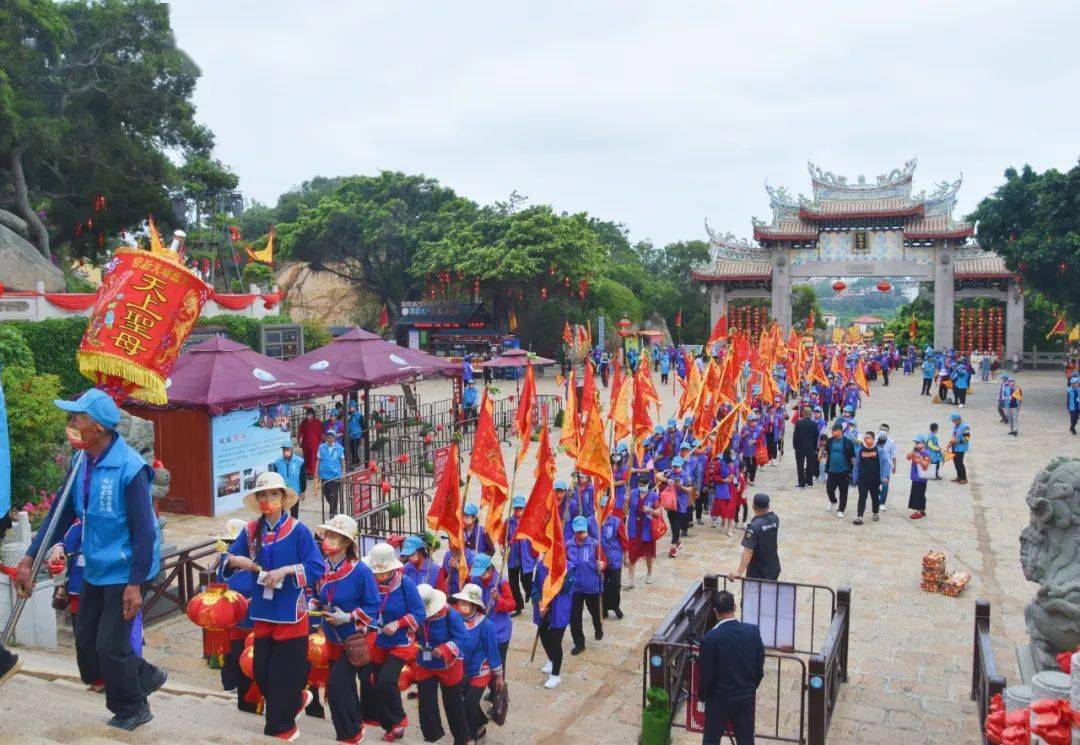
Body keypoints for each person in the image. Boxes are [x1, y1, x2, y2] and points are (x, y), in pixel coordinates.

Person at [17, 389, 166, 732]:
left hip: (128, 569)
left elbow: (145, 532)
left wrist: (134, 584)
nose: (70, 425)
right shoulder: (80, 462)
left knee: (110, 645)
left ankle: (132, 708)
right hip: (96, 566)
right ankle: (146, 674)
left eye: (76, 419)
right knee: (86, 645)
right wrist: (29, 558)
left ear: (97, 428)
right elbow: (60, 514)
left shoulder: (130, 469)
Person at [222, 471, 325, 741]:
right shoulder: (250, 530)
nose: (269, 499)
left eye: (274, 494)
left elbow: (317, 566)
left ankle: (281, 728)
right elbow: (228, 556)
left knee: (281, 674)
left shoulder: (298, 531)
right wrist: (236, 561)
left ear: (283, 498)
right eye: (264, 494)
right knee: (260, 670)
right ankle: (296, 698)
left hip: (290, 610)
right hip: (263, 610)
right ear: (258, 499)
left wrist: (287, 570)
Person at [314, 514, 380, 745]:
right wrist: (313, 605)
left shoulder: (361, 571)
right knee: (345, 687)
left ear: (347, 543)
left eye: (336, 536)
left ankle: (349, 734)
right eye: (328, 535)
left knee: (336, 685)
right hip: (330, 637)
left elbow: (373, 604)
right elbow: (316, 595)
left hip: (353, 639)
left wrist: (349, 616)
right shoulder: (321, 566)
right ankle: (351, 727)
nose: (329, 540)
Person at [365, 542, 426, 741]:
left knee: (386, 680)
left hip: (401, 641)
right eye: (376, 573)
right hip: (380, 640)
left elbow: (419, 612)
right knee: (374, 682)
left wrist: (398, 624)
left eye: (383, 573)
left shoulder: (405, 583)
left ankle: (399, 719)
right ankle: (389, 724)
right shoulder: (371, 583)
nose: (380, 577)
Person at [698, 590, 765, 745]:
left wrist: (702, 695)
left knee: (711, 740)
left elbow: (706, 675)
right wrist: (750, 687)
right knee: (746, 740)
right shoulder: (752, 632)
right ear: (735, 606)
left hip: (718, 699)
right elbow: (759, 666)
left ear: (715, 612)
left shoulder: (710, 639)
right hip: (744, 696)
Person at [413, 583, 469, 745]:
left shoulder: (451, 615)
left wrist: (445, 649)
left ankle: (461, 738)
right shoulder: (417, 611)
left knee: (452, 704)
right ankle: (432, 734)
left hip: (448, 665)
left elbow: (462, 638)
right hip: (425, 661)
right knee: (425, 701)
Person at [451, 583, 505, 743]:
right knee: (464, 703)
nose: (461, 605)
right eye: (461, 602)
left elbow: (493, 652)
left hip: (480, 671)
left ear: (474, 605)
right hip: (461, 671)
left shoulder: (486, 625)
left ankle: (471, 736)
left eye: (466, 603)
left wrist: (499, 676)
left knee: (469, 703)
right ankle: (480, 724)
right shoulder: (455, 620)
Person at [532, 555, 572, 690]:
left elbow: (566, 588)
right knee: (543, 635)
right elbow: (535, 586)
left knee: (555, 642)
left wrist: (560, 572)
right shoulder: (540, 566)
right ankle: (551, 658)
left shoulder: (569, 567)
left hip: (559, 610)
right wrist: (538, 602)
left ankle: (556, 674)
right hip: (544, 609)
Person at [568, 515, 604, 655]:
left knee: (595, 612)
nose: (580, 534)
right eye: (577, 532)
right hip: (574, 588)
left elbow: (605, 561)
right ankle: (579, 643)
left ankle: (598, 627)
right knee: (574, 618)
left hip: (592, 587)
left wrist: (603, 564)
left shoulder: (595, 545)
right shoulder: (568, 546)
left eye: (582, 531)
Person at [729, 494, 780, 581]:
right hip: (773, 567)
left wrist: (739, 572)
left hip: (758, 571)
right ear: (768, 507)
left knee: (756, 594)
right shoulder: (775, 519)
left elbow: (748, 550)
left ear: (753, 506)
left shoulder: (754, 526)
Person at [505, 495, 537, 615]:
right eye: (516, 508)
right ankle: (518, 606)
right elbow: (503, 537)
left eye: (520, 508)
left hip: (527, 558)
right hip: (513, 557)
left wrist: (534, 555)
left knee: (526, 582)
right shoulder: (508, 522)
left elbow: (536, 540)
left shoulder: (530, 522)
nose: (518, 511)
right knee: (513, 583)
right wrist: (503, 548)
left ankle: (533, 596)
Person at [626, 475, 659, 587]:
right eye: (640, 485)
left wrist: (651, 510)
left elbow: (658, 513)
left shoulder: (653, 496)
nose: (641, 487)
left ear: (648, 484)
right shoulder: (633, 493)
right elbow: (625, 509)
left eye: (643, 485)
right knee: (632, 553)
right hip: (634, 527)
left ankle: (649, 572)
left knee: (648, 553)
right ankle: (631, 579)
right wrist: (626, 500)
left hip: (647, 529)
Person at [851, 431, 889, 525]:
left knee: (875, 497)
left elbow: (885, 464)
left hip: (875, 479)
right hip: (863, 479)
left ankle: (875, 513)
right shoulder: (861, 450)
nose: (867, 439)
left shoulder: (879, 450)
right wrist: (855, 477)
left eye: (869, 437)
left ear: (873, 439)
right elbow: (857, 465)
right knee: (862, 497)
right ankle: (860, 517)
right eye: (865, 437)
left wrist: (884, 476)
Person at [819, 423, 855, 517]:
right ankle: (833, 500)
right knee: (829, 489)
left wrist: (853, 471)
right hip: (832, 470)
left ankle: (841, 509)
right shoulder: (830, 441)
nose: (833, 432)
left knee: (843, 491)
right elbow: (826, 451)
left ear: (840, 431)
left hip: (844, 470)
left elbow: (852, 457)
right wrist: (824, 453)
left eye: (835, 430)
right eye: (832, 430)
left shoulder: (848, 442)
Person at [599, 500, 624, 620]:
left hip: (614, 557)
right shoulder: (593, 522)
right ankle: (603, 609)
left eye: (608, 508)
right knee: (602, 585)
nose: (605, 510)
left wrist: (627, 556)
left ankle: (615, 606)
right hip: (600, 559)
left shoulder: (617, 522)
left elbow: (623, 539)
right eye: (603, 507)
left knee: (615, 585)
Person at [270, 442, 307, 519]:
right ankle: (282, 528)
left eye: (287, 449)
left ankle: (293, 528)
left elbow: (302, 477)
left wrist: (303, 491)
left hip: (295, 491)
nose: (285, 451)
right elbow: (275, 477)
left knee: (294, 513)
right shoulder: (277, 462)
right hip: (282, 492)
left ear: (292, 450)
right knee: (281, 513)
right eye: (284, 449)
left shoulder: (300, 461)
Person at [316, 430, 345, 515]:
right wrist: (316, 472)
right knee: (326, 494)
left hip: (335, 475)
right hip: (324, 474)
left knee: (333, 494)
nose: (329, 438)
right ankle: (334, 507)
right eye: (328, 437)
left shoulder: (339, 448)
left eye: (331, 437)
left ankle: (333, 511)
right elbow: (318, 460)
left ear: (335, 438)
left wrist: (344, 472)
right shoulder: (321, 447)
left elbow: (342, 460)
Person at [792, 407, 819, 489]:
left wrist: (795, 446)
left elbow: (795, 436)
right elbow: (816, 437)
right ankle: (809, 482)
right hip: (810, 448)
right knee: (810, 465)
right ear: (811, 414)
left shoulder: (799, 423)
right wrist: (814, 447)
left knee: (800, 466)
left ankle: (802, 483)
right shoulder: (814, 424)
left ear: (803, 413)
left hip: (800, 448)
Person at [906, 436, 932, 520]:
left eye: (918, 443)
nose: (917, 444)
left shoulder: (926, 453)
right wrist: (913, 450)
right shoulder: (915, 451)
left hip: (921, 478)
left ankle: (918, 512)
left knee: (918, 495)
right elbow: (908, 457)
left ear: (923, 443)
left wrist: (920, 457)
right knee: (918, 494)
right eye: (916, 443)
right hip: (915, 476)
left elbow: (925, 465)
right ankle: (922, 509)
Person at [875, 425, 897, 510]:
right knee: (874, 484)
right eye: (882, 429)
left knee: (885, 485)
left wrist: (895, 466)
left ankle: (882, 503)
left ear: (888, 432)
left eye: (885, 430)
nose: (883, 431)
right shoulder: (874, 440)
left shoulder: (891, 442)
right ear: (879, 429)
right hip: (876, 465)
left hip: (886, 466)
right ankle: (878, 495)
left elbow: (893, 455)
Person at [298, 407, 323, 478]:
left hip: (315, 443)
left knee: (313, 458)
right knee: (307, 458)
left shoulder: (317, 422)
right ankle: (308, 471)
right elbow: (300, 431)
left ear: (313, 414)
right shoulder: (303, 422)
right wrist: (299, 440)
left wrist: (320, 442)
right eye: (307, 414)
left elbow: (320, 433)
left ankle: (312, 472)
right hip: (305, 443)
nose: (308, 415)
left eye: (309, 414)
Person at [948, 413, 971, 485]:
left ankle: (964, 478)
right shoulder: (956, 426)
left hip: (961, 448)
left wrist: (957, 441)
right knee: (956, 462)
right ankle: (959, 476)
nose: (953, 422)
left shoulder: (965, 427)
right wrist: (950, 443)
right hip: (954, 447)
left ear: (958, 419)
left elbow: (967, 438)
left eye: (954, 420)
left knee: (960, 463)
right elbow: (954, 436)